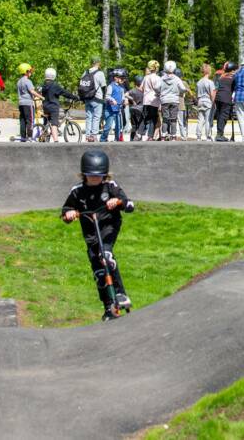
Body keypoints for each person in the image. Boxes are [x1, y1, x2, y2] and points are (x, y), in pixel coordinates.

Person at [61, 150, 133, 319]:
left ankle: (121, 294)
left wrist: (118, 202)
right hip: (91, 233)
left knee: (106, 257)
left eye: (99, 176)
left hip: (108, 227)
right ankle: (108, 307)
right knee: (99, 274)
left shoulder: (111, 187)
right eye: (90, 176)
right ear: (84, 175)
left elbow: (129, 204)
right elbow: (65, 211)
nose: (94, 179)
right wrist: (70, 214)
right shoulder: (77, 191)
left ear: (105, 175)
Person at [40, 68, 79, 142]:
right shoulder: (54, 85)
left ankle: (43, 137)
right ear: (54, 75)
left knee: (46, 123)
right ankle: (56, 141)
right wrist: (74, 97)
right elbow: (64, 93)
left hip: (45, 106)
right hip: (53, 107)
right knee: (54, 123)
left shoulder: (44, 85)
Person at [78, 58, 108, 142]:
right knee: (96, 117)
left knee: (88, 117)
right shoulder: (100, 73)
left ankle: (87, 136)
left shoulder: (85, 72)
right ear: (98, 63)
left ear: (91, 63)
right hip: (97, 98)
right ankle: (94, 136)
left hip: (87, 98)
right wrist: (105, 98)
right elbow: (104, 86)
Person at [158, 61, 188, 141]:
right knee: (173, 119)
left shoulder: (162, 78)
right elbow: (182, 88)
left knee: (165, 118)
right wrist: (185, 90)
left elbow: (156, 87)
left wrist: (160, 92)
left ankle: (163, 136)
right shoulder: (177, 78)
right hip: (175, 100)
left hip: (164, 100)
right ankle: (173, 136)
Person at [16, 63, 43, 142]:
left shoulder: (19, 82)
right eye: (30, 71)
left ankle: (23, 137)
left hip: (21, 103)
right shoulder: (28, 81)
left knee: (22, 120)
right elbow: (32, 91)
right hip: (28, 104)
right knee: (30, 120)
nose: (31, 73)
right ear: (26, 71)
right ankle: (30, 137)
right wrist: (41, 97)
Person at [140, 61, 163, 141]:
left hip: (146, 100)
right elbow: (159, 89)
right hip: (154, 100)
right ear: (156, 68)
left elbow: (141, 88)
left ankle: (139, 134)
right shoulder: (158, 78)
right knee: (153, 118)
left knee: (145, 117)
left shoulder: (146, 77)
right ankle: (150, 136)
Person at [213, 62, 236, 141]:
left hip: (218, 98)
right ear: (232, 70)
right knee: (224, 117)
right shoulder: (233, 78)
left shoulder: (221, 77)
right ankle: (219, 135)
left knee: (219, 116)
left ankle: (220, 133)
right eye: (234, 70)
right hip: (226, 99)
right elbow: (233, 89)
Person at [103, 70, 127, 142]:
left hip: (118, 110)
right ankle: (103, 139)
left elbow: (122, 97)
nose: (123, 80)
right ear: (115, 78)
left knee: (118, 127)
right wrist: (112, 100)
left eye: (123, 78)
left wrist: (124, 100)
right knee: (108, 126)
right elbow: (107, 96)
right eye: (121, 78)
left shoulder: (121, 88)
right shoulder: (111, 86)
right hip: (110, 110)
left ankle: (117, 140)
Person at [195, 64, 216, 141]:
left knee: (200, 120)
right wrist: (213, 103)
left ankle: (198, 136)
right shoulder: (210, 82)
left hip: (200, 101)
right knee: (208, 119)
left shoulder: (198, 82)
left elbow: (196, 94)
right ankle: (208, 136)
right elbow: (212, 94)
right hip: (208, 101)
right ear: (209, 71)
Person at [127, 75, 145, 140]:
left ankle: (132, 139)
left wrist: (132, 100)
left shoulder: (132, 90)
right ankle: (138, 137)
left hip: (132, 109)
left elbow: (125, 95)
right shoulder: (143, 92)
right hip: (140, 109)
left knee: (134, 125)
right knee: (141, 123)